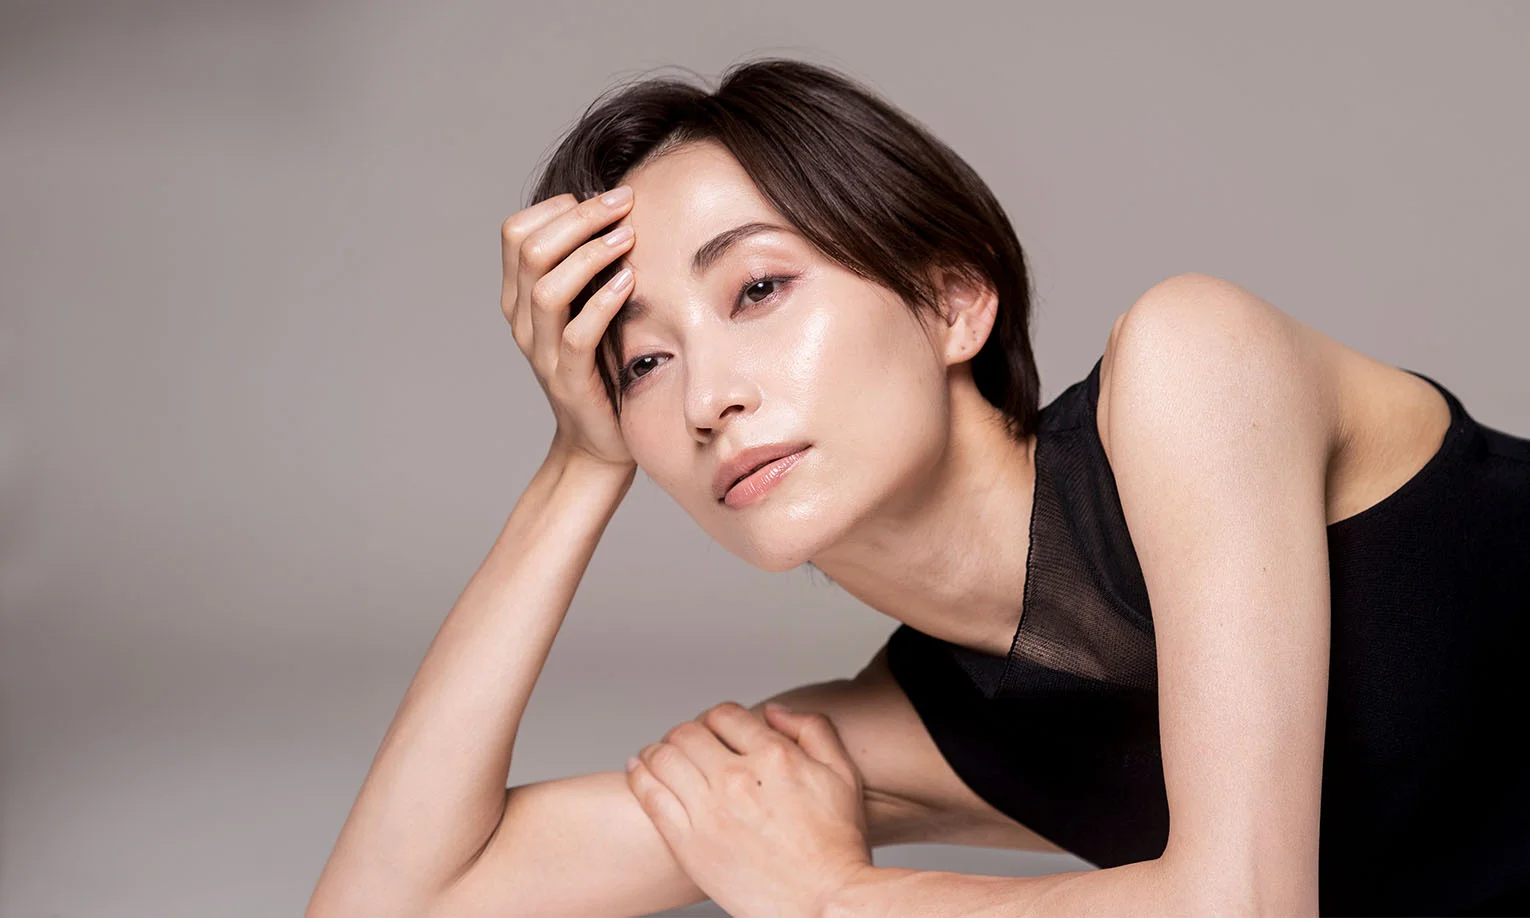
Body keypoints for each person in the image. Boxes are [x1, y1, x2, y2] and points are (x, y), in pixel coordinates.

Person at [306, 58, 1530, 917]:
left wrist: (836, 895)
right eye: (643, 363)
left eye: (759, 291)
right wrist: (579, 461)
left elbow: (1245, 906)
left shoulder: (1191, 364)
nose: (706, 398)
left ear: (952, 300)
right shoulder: (912, 738)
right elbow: (390, 902)